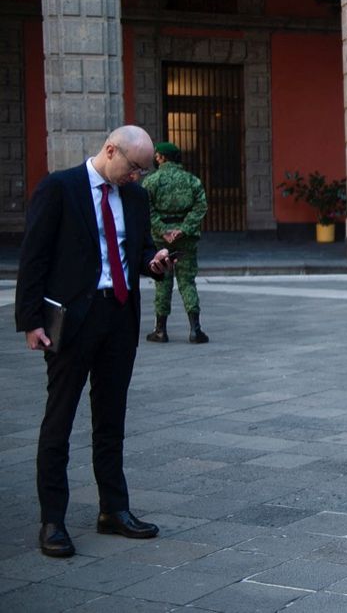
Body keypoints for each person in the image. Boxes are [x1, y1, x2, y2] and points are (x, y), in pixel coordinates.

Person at [15, 125, 173, 558]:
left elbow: (137, 250)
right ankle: (53, 521)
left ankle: (113, 510)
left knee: (111, 418)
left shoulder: (136, 198)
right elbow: (34, 257)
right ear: (110, 150)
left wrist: (153, 261)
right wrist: (30, 321)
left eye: (143, 170)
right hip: (72, 320)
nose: (137, 177)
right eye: (134, 168)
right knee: (59, 420)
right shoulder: (59, 188)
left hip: (119, 318)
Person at [142, 141, 209, 344]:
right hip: (186, 240)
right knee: (187, 282)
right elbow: (200, 206)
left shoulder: (151, 182)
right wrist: (183, 229)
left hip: (160, 239)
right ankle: (195, 329)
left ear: (161, 157)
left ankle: (160, 330)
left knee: (162, 281)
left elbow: (146, 209)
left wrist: (163, 231)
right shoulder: (192, 181)